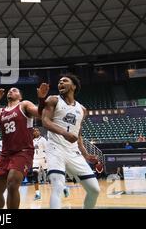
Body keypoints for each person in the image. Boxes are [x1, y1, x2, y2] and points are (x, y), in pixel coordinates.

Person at [0, 85, 49, 209]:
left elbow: (40, 114)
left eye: (14, 90)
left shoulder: (24, 105)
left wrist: (41, 99)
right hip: (5, 154)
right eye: (9, 91)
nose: (11, 91)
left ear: (20, 96)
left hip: (23, 152)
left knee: (12, 184)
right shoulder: (0, 111)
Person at [41, 74, 100, 209]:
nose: (60, 83)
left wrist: (85, 154)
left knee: (94, 190)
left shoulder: (82, 109)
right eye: (59, 82)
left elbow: (78, 135)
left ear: (73, 86)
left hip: (73, 152)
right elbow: (45, 121)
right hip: (55, 148)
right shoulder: (53, 100)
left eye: (65, 81)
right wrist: (64, 133)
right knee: (58, 186)